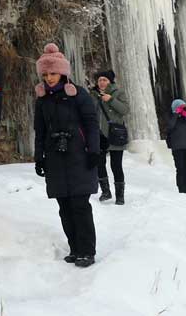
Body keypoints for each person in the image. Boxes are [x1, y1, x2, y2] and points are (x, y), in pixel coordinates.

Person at [33, 43, 101, 268]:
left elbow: (91, 124)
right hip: (55, 157)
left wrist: (94, 150)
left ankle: (87, 251)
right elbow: (40, 130)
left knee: (80, 204)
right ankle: (75, 248)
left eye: (53, 73)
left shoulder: (78, 94)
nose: (49, 78)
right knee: (64, 206)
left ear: (62, 72)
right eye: (45, 74)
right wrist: (39, 156)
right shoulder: (42, 99)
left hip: (78, 156)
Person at [92, 70, 130, 205]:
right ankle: (106, 192)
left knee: (116, 165)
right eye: (99, 80)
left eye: (104, 80)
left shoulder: (118, 93)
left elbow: (125, 110)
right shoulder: (93, 95)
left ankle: (120, 196)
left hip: (114, 134)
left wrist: (111, 100)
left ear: (110, 81)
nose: (101, 82)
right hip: (98, 135)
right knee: (99, 164)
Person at [165, 99, 186, 194]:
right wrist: (176, 114)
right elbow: (170, 127)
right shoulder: (170, 116)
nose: (183, 108)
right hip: (177, 147)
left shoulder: (185, 117)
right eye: (181, 107)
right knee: (180, 169)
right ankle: (181, 190)